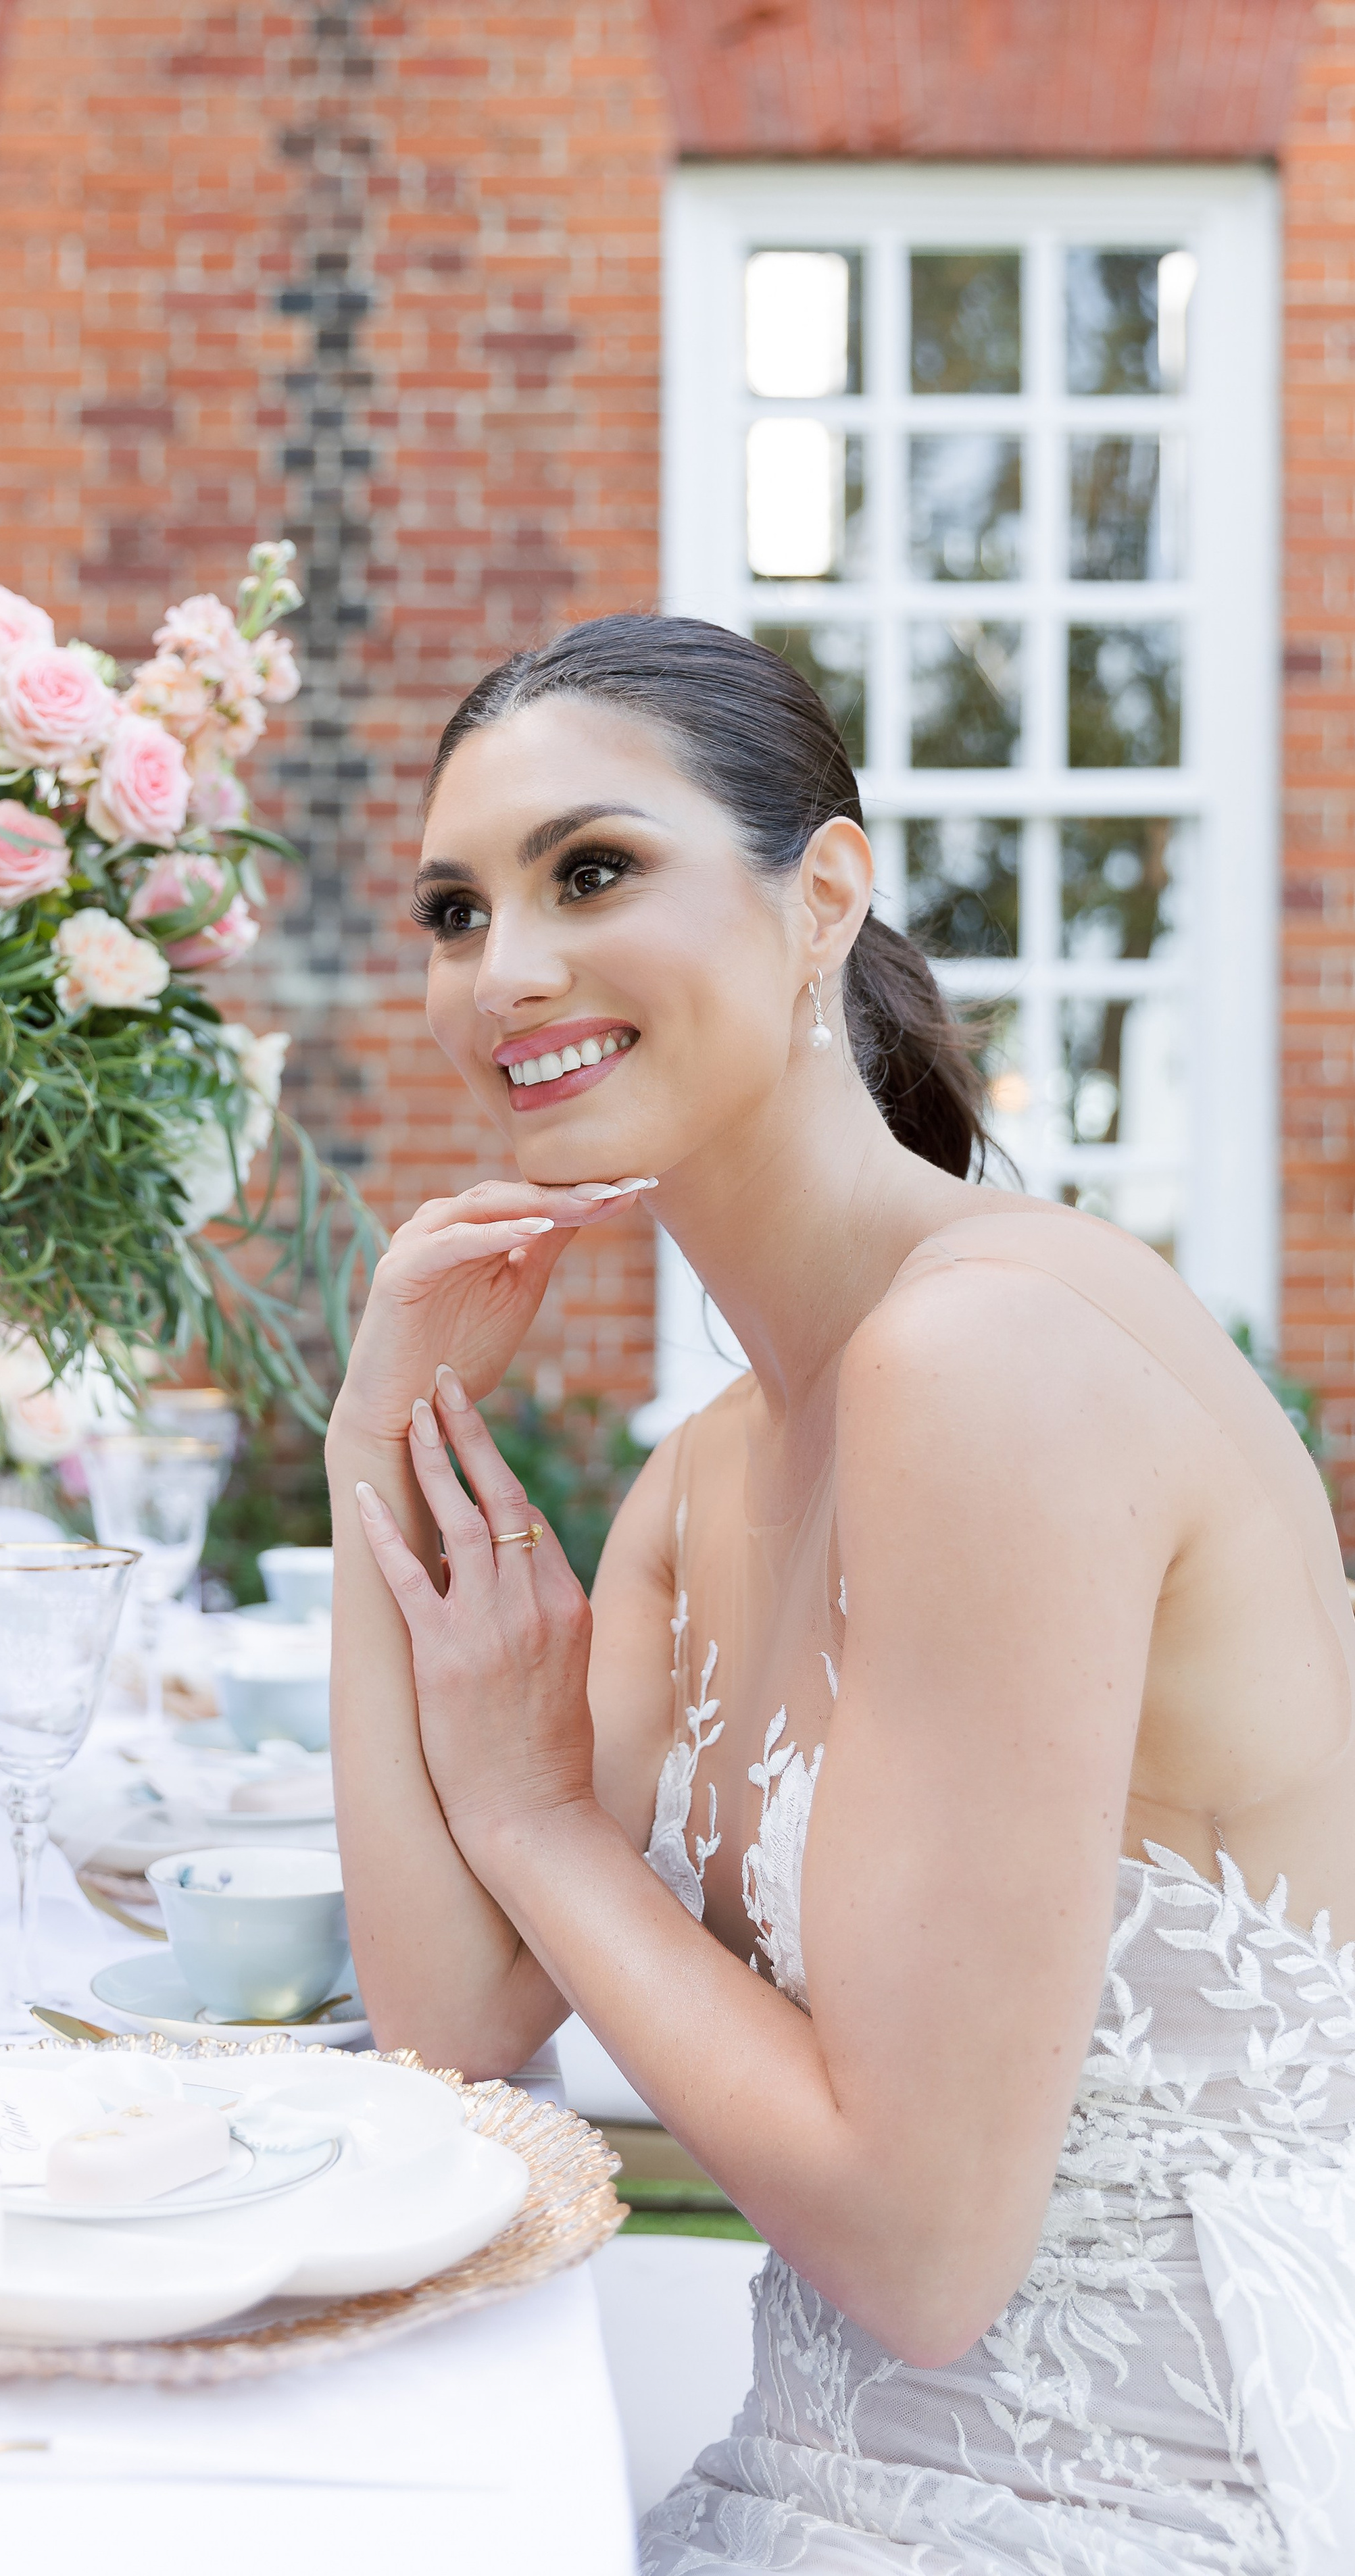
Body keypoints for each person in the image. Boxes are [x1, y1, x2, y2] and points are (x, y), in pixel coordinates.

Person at [324, 615, 1355, 2574]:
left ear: (826, 897)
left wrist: (543, 1821)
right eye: (457, 910)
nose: (504, 970)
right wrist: (379, 1440)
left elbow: (921, 2245)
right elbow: (451, 2030)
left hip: (1154, 2497)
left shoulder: (989, 1363)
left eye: (592, 872)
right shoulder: (702, 1481)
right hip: (814, 2469)